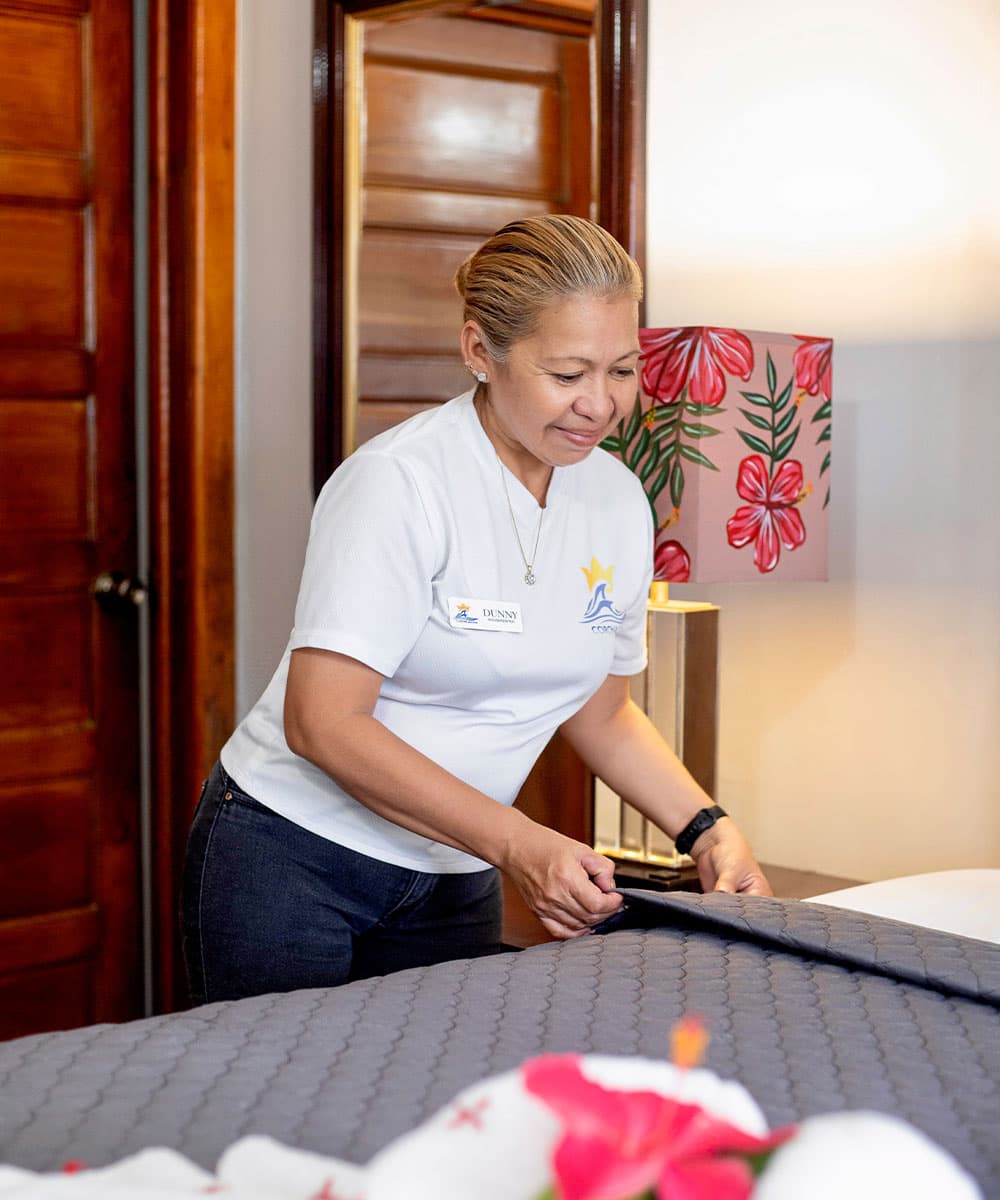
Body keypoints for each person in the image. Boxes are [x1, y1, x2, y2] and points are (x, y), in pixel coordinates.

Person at [180, 214, 771, 1005]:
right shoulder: (400, 484)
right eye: (567, 375)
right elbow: (322, 722)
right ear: (477, 352)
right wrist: (520, 843)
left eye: (622, 370)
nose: (600, 405)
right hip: (293, 860)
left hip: (456, 870)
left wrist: (707, 828)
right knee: (276, 1112)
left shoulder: (617, 500)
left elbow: (601, 713)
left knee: (441, 1111)